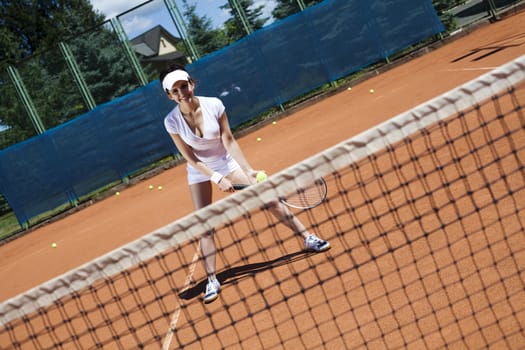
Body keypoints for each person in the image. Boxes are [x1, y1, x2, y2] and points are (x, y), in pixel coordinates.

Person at [160, 63, 330, 304]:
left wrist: (248, 170)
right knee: (204, 223)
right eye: (174, 90)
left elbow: (228, 139)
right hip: (199, 170)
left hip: (226, 161)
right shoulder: (171, 121)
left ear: (192, 84)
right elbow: (190, 157)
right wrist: (215, 177)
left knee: (268, 200)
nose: (181, 93)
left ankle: (308, 238)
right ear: (169, 95)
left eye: (184, 86)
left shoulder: (214, 105)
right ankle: (211, 279)